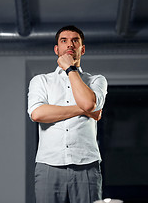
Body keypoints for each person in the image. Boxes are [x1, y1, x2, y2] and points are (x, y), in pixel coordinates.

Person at [27, 25, 108, 203]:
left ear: (82, 49)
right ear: (57, 49)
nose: (69, 44)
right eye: (64, 41)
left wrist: (70, 69)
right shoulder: (41, 81)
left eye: (75, 41)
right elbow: (37, 114)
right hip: (48, 164)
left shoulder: (97, 80)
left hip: (86, 165)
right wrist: (87, 111)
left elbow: (88, 103)